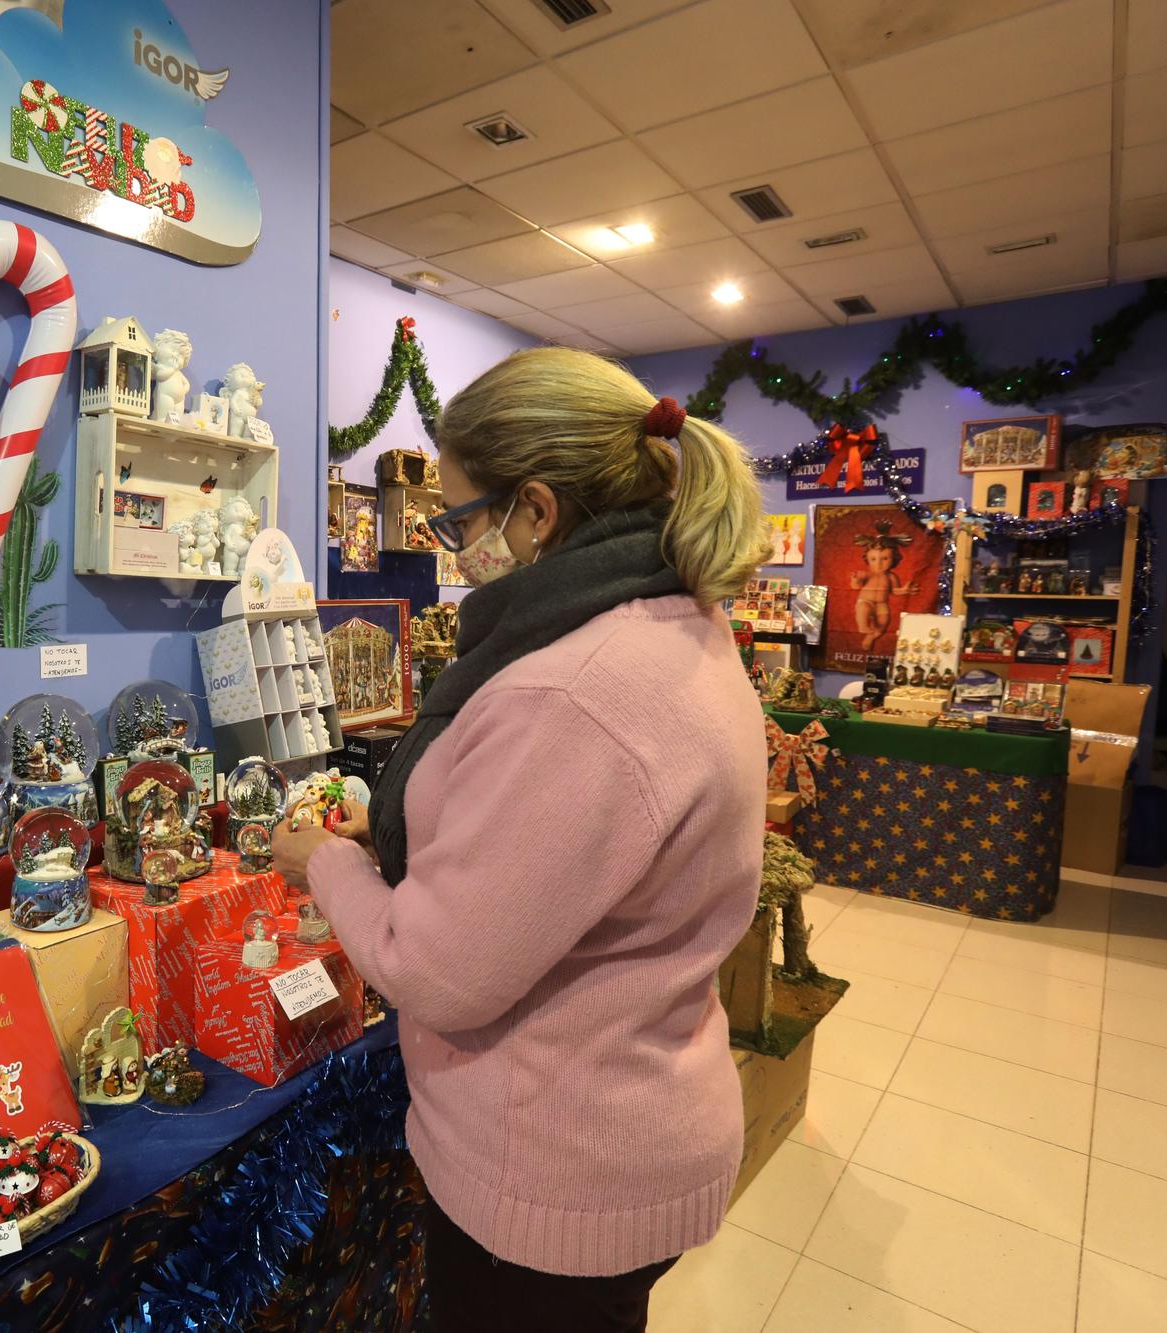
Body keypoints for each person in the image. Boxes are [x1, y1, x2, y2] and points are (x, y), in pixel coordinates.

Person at [273, 347, 771, 1332]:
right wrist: (389, 831)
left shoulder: (569, 689)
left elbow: (438, 967)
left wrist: (323, 862)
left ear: (534, 511)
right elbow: (575, 859)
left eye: (460, 518)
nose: (456, 549)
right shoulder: (672, 627)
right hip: (635, 1119)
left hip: (551, 1164)